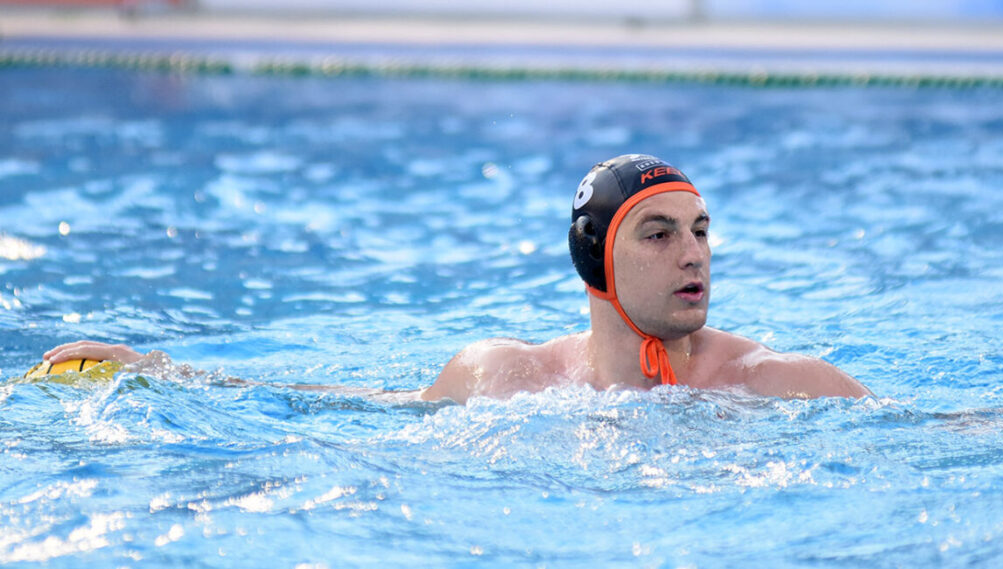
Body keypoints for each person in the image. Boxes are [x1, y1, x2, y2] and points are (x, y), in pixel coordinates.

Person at [41, 154, 871, 404]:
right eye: (659, 233)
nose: (694, 254)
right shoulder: (504, 376)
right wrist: (168, 373)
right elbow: (353, 408)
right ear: (595, 261)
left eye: (701, 230)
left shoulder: (779, 383)